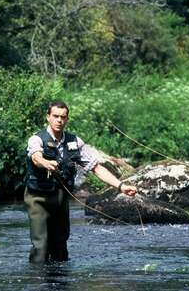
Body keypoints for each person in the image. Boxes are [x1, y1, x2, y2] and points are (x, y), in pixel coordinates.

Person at [24, 100, 137, 263]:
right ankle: (37, 280)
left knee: (61, 246)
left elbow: (97, 168)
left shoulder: (75, 142)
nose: (59, 120)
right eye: (55, 116)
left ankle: (60, 283)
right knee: (41, 245)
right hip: (38, 197)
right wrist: (46, 163)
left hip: (61, 197)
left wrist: (121, 186)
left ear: (67, 119)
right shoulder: (36, 139)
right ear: (48, 117)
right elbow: (36, 157)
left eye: (63, 117)